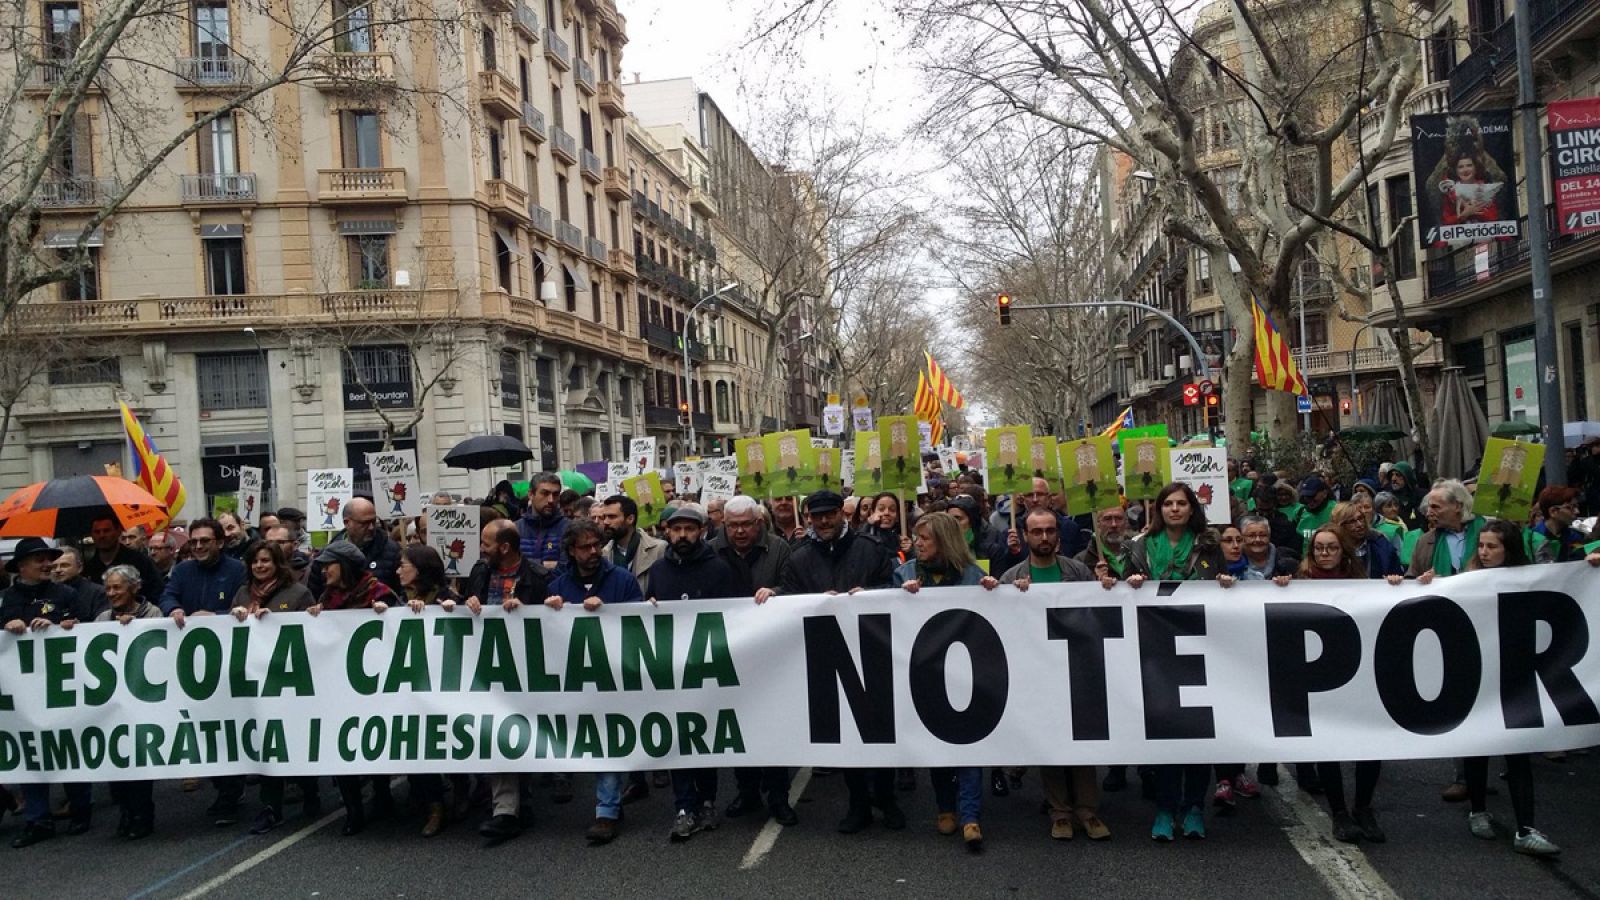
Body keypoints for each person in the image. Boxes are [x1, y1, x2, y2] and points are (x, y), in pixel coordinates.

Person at [778, 490, 899, 834]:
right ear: (809, 518)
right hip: (826, 656)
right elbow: (790, 600)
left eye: (830, 514)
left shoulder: (870, 548)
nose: (825, 521)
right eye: (817, 516)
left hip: (871, 650)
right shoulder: (799, 558)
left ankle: (887, 799)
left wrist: (868, 597)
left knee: (879, 731)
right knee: (847, 735)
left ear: (841, 514)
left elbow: (890, 589)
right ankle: (858, 803)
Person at [1450, 520, 1560, 856]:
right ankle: (1477, 810)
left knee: (1518, 750)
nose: (1483, 552)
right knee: (1478, 744)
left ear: (1508, 549)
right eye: (1480, 546)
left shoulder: (1529, 580)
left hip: (1514, 675)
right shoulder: (1467, 582)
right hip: (1478, 675)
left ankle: (1525, 828)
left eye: (1491, 546)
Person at [1000, 508, 1111, 842]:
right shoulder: (1012, 577)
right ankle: (1059, 811)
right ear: (1026, 535)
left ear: (1058, 535)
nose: (1044, 537)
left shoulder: (1077, 571)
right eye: (1037, 532)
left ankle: (1088, 810)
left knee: (1082, 740)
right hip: (1037, 670)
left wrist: (1104, 585)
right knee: (1049, 740)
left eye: (1050, 530)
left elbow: (1097, 612)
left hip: (1076, 665)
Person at [1121, 483, 1222, 840]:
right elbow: (1117, 590)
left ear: (1192, 509)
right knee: (1165, 733)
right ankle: (1165, 809)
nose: (1175, 509)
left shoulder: (1209, 546)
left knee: (1197, 733)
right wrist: (1128, 582)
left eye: (1182, 504)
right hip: (1155, 649)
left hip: (1200, 647)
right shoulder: (1139, 547)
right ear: (1159, 509)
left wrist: (1226, 583)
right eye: (1169, 504)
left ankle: (1194, 807)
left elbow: (1225, 588)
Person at [893, 511, 999, 852]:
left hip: (967, 676)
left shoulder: (972, 576)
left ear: (945, 541)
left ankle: (970, 816)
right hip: (925, 674)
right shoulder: (905, 573)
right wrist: (900, 596)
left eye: (925, 539)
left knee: (968, 745)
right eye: (917, 538)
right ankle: (945, 807)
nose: (917, 544)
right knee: (939, 744)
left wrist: (995, 593)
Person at [646, 504, 748, 843]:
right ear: (667, 532)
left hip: (707, 669)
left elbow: (731, 616)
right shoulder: (659, 570)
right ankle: (683, 807)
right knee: (679, 740)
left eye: (689, 529)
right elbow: (647, 608)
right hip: (673, 670)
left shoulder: (718, 568)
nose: (682, 536)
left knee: (705, 738)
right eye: (676, 530)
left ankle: (707, 801)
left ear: (701, 531)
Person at [1293, 524, 1400, 844]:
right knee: (1329, 745)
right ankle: (1339, 812)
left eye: (1332, 548)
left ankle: (1364, 808)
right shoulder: (1298, 584)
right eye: (1319, 548)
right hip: (1320, 676)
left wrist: (1395, 586)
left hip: (1360, 673)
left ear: (1344, 551)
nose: (1325, 554)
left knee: (1370, 743)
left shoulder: (1363, 585)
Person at [541, 520, 644, 846]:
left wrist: (611, 611)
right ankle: (607, 803)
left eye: (595, 545)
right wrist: (549, 612)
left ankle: (606, 811)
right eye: (584, 547)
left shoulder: (622, 580)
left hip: (614, 676)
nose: (592, 552)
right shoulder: (557, 585)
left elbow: (640, 623)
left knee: (608, 740)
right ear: (571, 551)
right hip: (577, 680)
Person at [711, 495, 798, 825]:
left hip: (770, 651)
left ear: (759, 523)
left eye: (746, 524)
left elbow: (793, 587)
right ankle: (747, 792)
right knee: (739, 723)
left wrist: (776, 592)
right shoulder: (712, 548)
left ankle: (779, 796)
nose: (739, 531)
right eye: (732, 526)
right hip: (730, 649)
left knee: (772, 723)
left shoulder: (778, 548)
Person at [156, 517, 249, 824]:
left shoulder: (236, 570)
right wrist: (175, 609)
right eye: (193, 542)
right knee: (201, 726)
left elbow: (244, 604)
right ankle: (223, 784)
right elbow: (168, 595)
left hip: (228, 662)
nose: (197, 547)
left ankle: (230, 791)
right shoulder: (183, 571)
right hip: (193, 664)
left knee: (227, 724)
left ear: (220, 543)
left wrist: (217, 616)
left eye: (204, 542)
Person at [463, 519, 552, 841]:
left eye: (486, 543)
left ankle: (519, 801)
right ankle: (505, 809)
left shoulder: (539, 577)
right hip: (489, 668)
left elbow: (554, 619)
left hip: (527, 668)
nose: (481, 549)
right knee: (497, 730)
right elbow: (465, 608)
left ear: (504, 547)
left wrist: (532, 611)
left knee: (522, 732)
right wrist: (468, 605)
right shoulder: (480, 572)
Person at [229, 540, 319, 835]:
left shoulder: (298, 593)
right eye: (255, 561)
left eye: (265, 561)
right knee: (268, 744)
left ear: (277, 563)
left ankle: (311, 792)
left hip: (290, 682)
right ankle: (271, 808)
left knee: (294, 742)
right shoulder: (242, 594)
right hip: (257, 683)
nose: (260, 566)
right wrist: (237, 618)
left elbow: (312, 632)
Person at [3, 538, 88, 848]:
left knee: (68, 746)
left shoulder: (66, 594)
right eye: (38, 559)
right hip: (22, 694)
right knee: (29, 751)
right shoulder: (6, 599)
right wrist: (7, 626)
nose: (46, 564)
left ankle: (80, 809)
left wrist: (60, 626)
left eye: (48, 558)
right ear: (21, 566)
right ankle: (37, 819)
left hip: (62, 688)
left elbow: (87, 629)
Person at [309, 539, 398, 835]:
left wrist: (387, 614)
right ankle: (353, 810)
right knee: (340, 744)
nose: (323, 572)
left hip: (374, 682)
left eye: (328, 566)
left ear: (344, 566)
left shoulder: (380, 593)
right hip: (338, 685)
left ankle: (383, 796)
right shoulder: (328, 597)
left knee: (375, 739)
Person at [381, 543, 462, 836]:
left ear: (421, 569)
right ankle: (433, 805)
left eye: (404, 564)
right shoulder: (396, 599)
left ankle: (461, 792)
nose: (398, 569)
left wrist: (445, 611)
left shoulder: (448, 598)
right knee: (417, 745)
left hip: (446, 685)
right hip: (412, 688)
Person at [96, 564, 161, 838]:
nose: (111, 593)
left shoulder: (154, 613)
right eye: (108, 588)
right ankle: (125, 811)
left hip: (142, 698)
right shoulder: (101, 618)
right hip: (112, 703)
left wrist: (134, 627)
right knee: (116, 759)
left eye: (117, 587)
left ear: (134, 588)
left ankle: (142, 814)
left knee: (139, 760)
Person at [308, 497, 402, 597]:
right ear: (347, 523)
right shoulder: (324, 557)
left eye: (373, 521)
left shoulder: (392, 551)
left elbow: (401, 594)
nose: (371, 527)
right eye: (364, 523)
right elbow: (314, 598)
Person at [1408, 480, 1483, 580]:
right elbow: (1411, 579)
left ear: (1457, 506)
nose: (1428, 513)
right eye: (1429, 507)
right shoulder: (1424, 542)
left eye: (1435, 507)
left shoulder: (1487, 533)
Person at [82, 514, 164, 605]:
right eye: (97, 532)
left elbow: (157, 592)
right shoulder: (88, 567)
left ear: (118, 532)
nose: (102, 535)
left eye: (106, 531)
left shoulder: (141, 561)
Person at [595, 494, 667, 596]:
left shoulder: (658, 549)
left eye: (612, 517)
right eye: (604, 517)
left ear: (630, 519)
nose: (606, 522)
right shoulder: (603, 554)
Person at [1330, 501, 1404, 580]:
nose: (1359, 524)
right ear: (1340, 525)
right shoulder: (1331, 548)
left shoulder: (1381, 544)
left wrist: (1395, 578)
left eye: (1360, 518)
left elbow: (1397, 573)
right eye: (1352, 521)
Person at [517, 472, 569, 570]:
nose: (551, 500)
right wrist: (545, 565)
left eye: (555, 494)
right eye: (545, 493)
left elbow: (568, 568)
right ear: (531, 494)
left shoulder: (569, 528)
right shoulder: (515, 529)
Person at [1532, 486, 1589, 562]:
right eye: (1570, 507)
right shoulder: (1531, 538)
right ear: (1553, 511)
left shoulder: (1575, 537)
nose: (1577, 511)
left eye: (1577, 506)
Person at [51, 546, 108, 620]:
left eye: (64, 565)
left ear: (79, 568)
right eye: (54, 566)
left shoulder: (98, 593)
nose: (58, 570)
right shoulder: (45, 593)